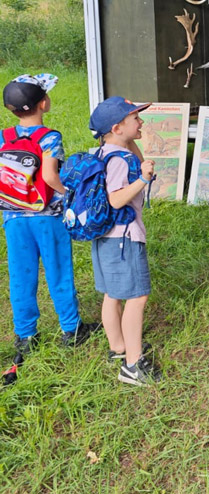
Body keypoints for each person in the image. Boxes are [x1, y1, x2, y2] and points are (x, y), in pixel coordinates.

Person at [1, 74, 100, 386]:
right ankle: (71, 329)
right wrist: (67, 193)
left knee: (21, 276)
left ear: (10, 108)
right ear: (43, 103)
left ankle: (26, 336)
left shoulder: (3, 136)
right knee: (58, 272)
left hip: (13, 217)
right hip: (46, 215)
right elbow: (49, 173)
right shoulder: (48, 136)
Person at [88, 96, 160, 385]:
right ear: (118, 127)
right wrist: (142, 181)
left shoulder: (105, 151)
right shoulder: (119, 161)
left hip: (105, 238)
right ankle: (133, 365)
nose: (141, 122)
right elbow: (116, 200)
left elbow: (140, 162)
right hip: (124, 238)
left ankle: (118, 347)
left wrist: (134, 143)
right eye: (135, 119)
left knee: (112, 294)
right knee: (137, 297)